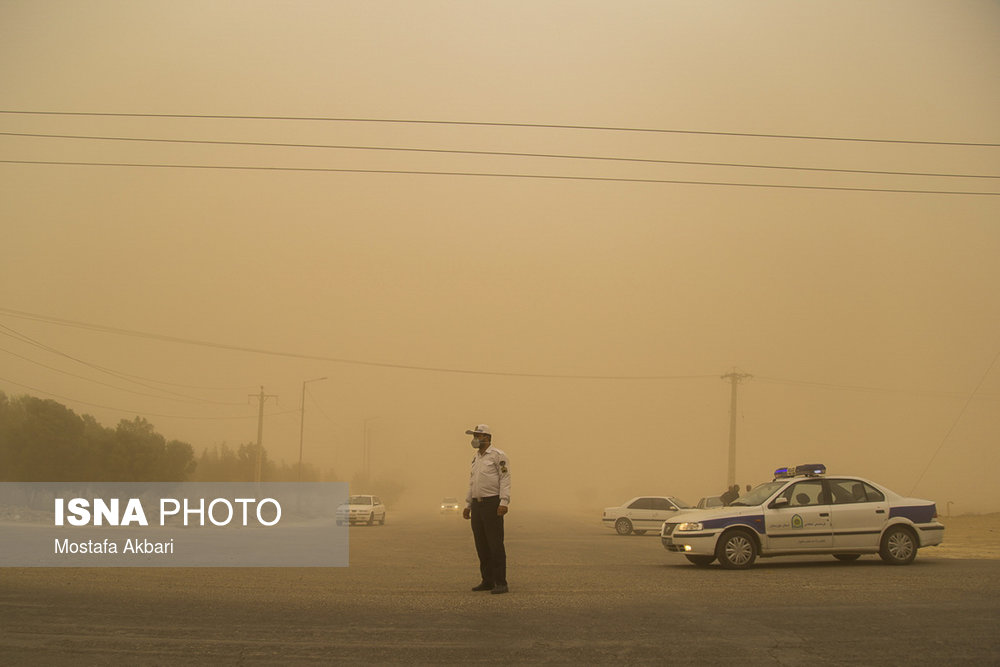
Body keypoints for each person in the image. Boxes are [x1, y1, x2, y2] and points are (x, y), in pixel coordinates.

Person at [462, 424, 510, 595]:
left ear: (487, 438)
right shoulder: (476, 458)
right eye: (474, 436)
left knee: (495, 544)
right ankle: (487, 580)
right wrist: (468, 505)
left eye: (478, 436)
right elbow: (472, 483)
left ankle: (500, 582)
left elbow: (505, 479)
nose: (475, 439)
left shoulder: (498, 456)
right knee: (481, 545)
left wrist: (504, 502)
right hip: (477, 505)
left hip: (492, 504)